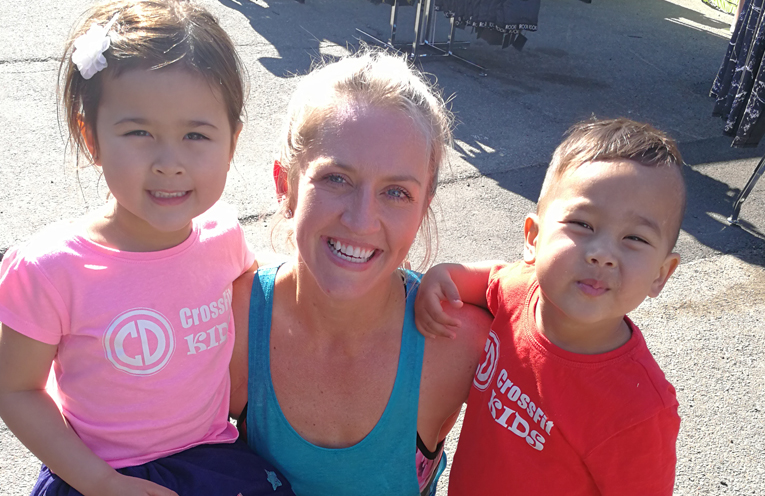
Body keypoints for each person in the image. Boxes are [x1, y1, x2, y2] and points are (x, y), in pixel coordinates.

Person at [0, 2, 292, 495]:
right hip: (97, 473)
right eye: (139, 132)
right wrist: (100, 482)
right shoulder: (50, 269)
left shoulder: (224, 236)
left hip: (212, 458)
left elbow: (258, 287)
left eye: (196, 134)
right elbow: (15, 389)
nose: (169, 163)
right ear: (89, 136)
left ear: (232, 142)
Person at [228, 50, 492, 496]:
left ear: (424, 206)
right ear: (284, 184)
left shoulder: (458, 343)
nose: (361, 219)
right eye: (336, 179)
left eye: (396, 192)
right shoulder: (231, 323)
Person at [415, 118, 684, 495]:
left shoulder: (639, 411)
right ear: (534, 237)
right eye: (583, 224)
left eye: (635, 238)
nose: (603, 254)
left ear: (661, 273)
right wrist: (442, 276)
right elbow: (490, 279)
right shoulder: (520, 289)